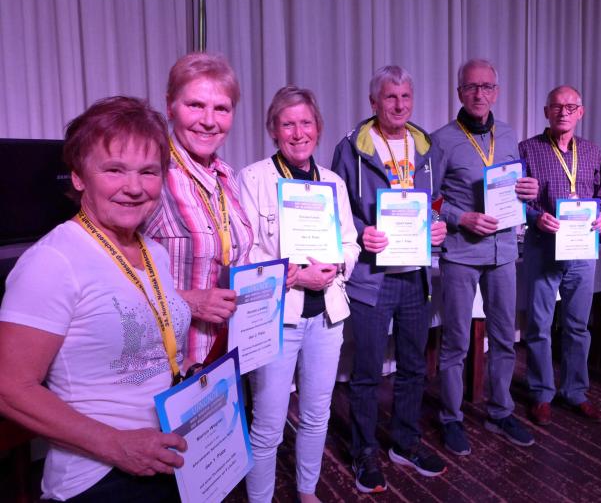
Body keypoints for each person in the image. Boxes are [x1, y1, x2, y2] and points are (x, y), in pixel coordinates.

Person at [0, 97, 190, 501]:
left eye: (148, 171)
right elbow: (9, 387)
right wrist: (116, 445)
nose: (134, 187)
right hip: (100, 474)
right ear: (79, 177)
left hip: (164, 450)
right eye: (114, 170)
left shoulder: (154, 252)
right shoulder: (53, 260)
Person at [237, 86, 359, 503]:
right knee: (268, 424)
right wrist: (294, 275)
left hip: (326, 316)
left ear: (318, 128)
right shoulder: (253, 178)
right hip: (276, 318)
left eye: (306, 123)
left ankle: (307, 492)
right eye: (287, 124)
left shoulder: (333, 183)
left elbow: (350, 242)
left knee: (316, 414)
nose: (298, 132)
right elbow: (245, 251)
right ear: (273, 130)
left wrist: (336, 267)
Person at [331, 65, 447, 494]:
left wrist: (438, 226)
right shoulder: (351, 148)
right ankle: (364, 450)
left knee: (414, 366)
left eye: (405, 97)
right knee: (366, 370)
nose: (399, 105)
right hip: (372, 278)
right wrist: (361, 232)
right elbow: (336, 209)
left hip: (416, 276)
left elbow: (435, 202)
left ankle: (404, 441)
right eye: (390, 97)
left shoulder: (426, 147)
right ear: (373, 102)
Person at [433, 59, 538, 455]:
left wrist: (528, 192)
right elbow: (430, 198)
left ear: (497, 91)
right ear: (459, 91)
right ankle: (451, 417)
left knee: (505, 337)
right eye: (472, 86)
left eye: (487, 86)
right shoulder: (441, 140)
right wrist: (461, 217)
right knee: (456, 341)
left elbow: (516, 188)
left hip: (504, 252)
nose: (480, 94)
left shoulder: (509, 135)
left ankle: (500, 411)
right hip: (461, 253)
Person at [144, 52, 255, 367]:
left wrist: (268, 279)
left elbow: (230, 256)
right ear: (170, 106)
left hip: (223, 355)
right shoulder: (151, 175)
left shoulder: (226, 176)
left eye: (221, 108)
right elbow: (110, 282)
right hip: (168, 363)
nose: (209, 120)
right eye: (195, 105)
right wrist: (188, 301)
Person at [518, 85, 601, 426]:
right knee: (539, 325)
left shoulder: (592, 151)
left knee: (577, 326)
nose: (563, 112)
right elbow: (515, 199)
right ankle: (542, 393)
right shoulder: (527, 149)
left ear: (580, 112)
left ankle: (575, 391)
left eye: (570, 107)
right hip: (543, 248)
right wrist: (534, 217)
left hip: (582, 251)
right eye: (556, 106)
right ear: (546, 111)